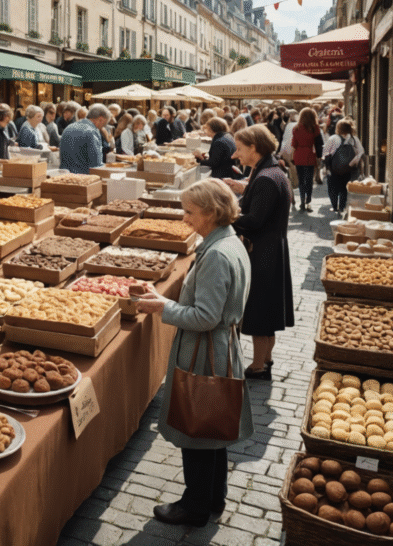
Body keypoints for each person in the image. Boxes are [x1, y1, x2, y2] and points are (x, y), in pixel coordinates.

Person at [137, 179, 253, 528]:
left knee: (197, 426)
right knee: (212, 428)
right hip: (220, 347)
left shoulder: (217, 254)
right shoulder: (228, 241)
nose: (184, 218)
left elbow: (205, 317)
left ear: (212, 212)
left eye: (190, 211)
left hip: (205, 351)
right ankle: (213, 497)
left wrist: (163, 307)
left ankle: (195, 505)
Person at [224, 125, 294, 380]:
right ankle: (265, 359)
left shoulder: (266, 177)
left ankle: (257, 366)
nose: (235, 155)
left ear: (254, 147)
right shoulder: (270, 171)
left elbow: (254, 220)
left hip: (264, 253)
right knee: (269, 309)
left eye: (239, 149)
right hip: (272, 249)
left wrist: (224, 217)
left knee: (260, 310)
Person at [322, 119, 366, 216]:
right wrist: (353, 162)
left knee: (332, 188)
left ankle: (334, 207)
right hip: (348, 169)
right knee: (344, 188)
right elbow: (361, 152)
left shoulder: (333, 138)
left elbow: (325, 153)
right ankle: (341, 207)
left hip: (334, 168)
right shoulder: (354, 139)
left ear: (338, 128)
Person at [59, 103, 109, 174]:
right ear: (100, 119)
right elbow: (96, 164)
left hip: (63, 176)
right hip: (83, 178)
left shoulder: (68, 128)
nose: (102, 128)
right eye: (104, 124)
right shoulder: (92, 132)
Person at [290, 108, 322, 212]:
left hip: (299, 155)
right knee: (309, 180)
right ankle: (308, 202)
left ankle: (302, 201)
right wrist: (319, 156)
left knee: (301, 180)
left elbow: (294, 145)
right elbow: (319, 143)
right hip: (309, 156)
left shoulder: (296, 128)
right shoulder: (314, 128)